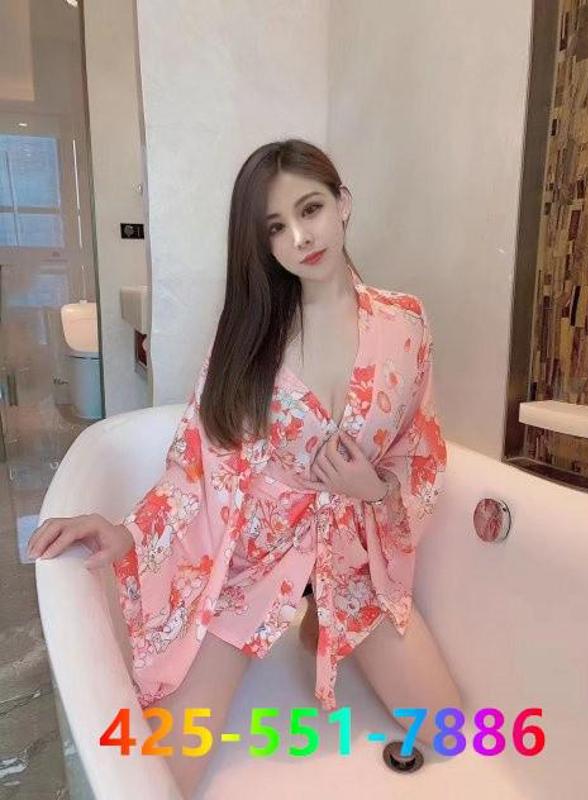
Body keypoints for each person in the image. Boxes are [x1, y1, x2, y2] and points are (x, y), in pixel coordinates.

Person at [26, 138, 462, 799]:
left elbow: (420, 451)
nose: (300, 238)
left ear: (343, 204)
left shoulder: (405, 324)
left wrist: (372, 489)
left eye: (310, 209)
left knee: (449, 730)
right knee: (163, 774)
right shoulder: (251, 335)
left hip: (353, 558)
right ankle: (297, 614)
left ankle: (323, 619)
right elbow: (200, 464)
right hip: (253, 562)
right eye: (276, 228)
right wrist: (128, 532)